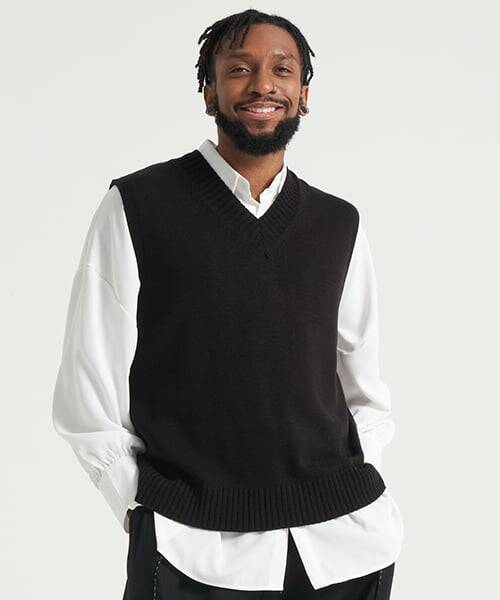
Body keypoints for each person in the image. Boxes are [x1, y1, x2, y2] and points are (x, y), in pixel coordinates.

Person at [52, 8, 404, 599]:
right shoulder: (139, 206)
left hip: (342, 549)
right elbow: (85, 392)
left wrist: (348, 478)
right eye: (240, 69)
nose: (263, 85)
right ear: (209, 90)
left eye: (282, 70)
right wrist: (142, 510)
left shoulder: (338, 223)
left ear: (304, 94)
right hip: (190, 548)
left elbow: (365, 390)